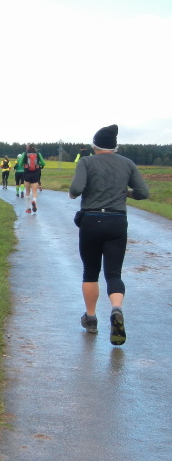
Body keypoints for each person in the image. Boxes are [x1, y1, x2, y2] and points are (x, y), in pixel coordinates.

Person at [69, 125, 148, 345]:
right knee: (113, 273)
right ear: (115, 147)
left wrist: (75, 193)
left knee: (90, 271)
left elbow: (76, 188)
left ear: (94, 146)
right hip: (117, 221)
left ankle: (91, 319)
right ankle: (116, 309)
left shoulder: (86, 162)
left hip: (91, 221)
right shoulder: (127, 163)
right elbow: (143, 192)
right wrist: (125, 192)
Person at [17, 144, 45, 213]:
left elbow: (20, 163)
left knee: (27, 191)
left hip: (27, 174)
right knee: (34, 191)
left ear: (27, 148)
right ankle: (34, 201)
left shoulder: (24, 154)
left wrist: (25, 165)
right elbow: (43, 163)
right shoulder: (38, 154)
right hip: (35, 174)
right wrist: (37, 164)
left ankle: (28, 208)